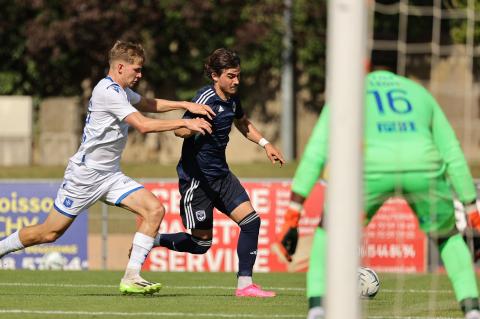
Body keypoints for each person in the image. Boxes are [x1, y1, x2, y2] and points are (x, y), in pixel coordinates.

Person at [0, 40, 215, 295]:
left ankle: (131, 277)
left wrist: (185, 105)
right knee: (49, 233)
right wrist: (187, 124)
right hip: (85, 176)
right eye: (136, 70)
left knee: (154, 209)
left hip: (110, 175)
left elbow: (146, 104)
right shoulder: (107, 91)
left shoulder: (121, 91)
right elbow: (143, 124)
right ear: (121, 67)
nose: (140, 74)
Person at [274, 54, 480, 319]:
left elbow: (315, 153)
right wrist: (472, 208)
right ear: (399, 68)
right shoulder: (419, 93)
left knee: (328, 231)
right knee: (447, 236)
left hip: (371, 169)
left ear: (365, 65)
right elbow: (452, 152)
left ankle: (317, 308)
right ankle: (473, 309)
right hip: (424, 167)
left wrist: (293, 215)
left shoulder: (350, 93)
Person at [150, 48, 285, 297]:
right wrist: (193, 125)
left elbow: (242, 123)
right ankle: (153, 240)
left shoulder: (233, 99)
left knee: (251, 222)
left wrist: (266, 144)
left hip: (221, 176)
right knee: (201, 245)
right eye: (231, 76)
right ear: (215, 75)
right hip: (197, 180)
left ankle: (245, 285)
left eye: (238, 76)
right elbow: (179, 131)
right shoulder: (205, 99)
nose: (236, 81)